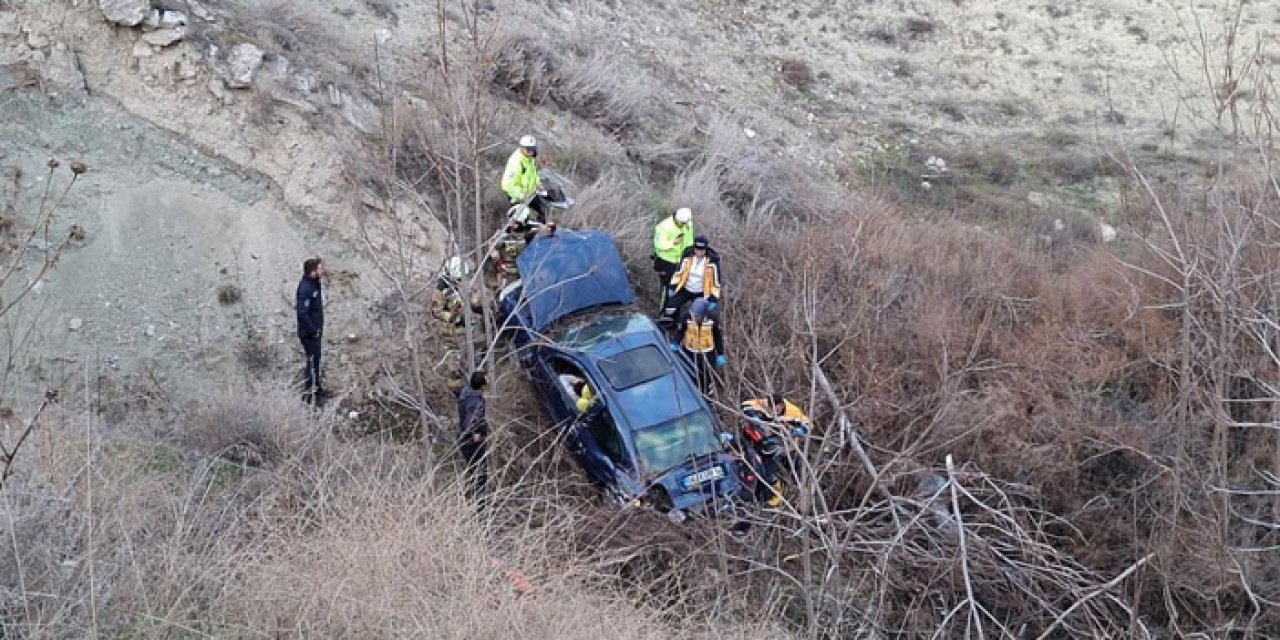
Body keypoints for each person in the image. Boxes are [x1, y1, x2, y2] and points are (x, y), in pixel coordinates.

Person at [740, 393, 811, 507]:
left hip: (786, 444)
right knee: (766, 470)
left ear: (782, 405)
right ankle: (769, 495)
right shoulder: (763, 404)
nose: (773, 411)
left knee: (794, 468)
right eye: (771, 408)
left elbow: (808, 424)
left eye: (776, 408)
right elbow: (745, 405)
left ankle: (799, 491)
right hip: (765, 442)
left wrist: (800, 430)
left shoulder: (792, 412)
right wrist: (754, 417)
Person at [671, 297, 724, 397]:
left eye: (697, 316)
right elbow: (680, 331)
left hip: (707, 352)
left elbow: (718, 336)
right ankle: (691, 393)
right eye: (694, 315)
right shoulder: (686, 317)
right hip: (690, 351)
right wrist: (675, 343)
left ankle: (707, 396)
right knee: (690, 373)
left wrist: (720, 354)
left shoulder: (712, 319)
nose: (695, 317)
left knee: (707, 376)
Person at [662, 235, 721, 323]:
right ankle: (671, 327)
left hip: (701, 292)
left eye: (702, 250)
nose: (699, 252)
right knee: (670, 308)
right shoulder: (687, 257)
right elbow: (678, 273)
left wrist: (713, 298)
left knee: (700, 314)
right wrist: (672, 287)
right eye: (697, 249)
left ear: (706, 249)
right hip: (685, 288)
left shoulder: (712, 263)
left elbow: (716, 282)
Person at [295, 257, 327, 405]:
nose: (323, 270)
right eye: (320, 268)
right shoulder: (306, 288)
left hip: (315, 331)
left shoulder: (314, 284)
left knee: (315, 362)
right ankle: (310, 396)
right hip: (309, 334)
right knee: (312, 363)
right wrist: (313, 330)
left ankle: (317, 389)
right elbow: (302, 313)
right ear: (313, 272)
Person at [457, 371, 490, 508]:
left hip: (464, 440)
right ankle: (481, 506)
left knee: (472, 471)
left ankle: (472, 501)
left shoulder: (465, 394)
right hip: (472, 441)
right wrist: (475, 433)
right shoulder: (475, 402)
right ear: (482, 386)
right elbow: (470, 422)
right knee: (480, 473)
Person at [500, 135, 548, 223]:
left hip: (529, 193)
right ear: (522, 148)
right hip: (517, 196)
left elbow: (533, 173)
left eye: (533, 149)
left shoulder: (529, 159)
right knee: (522, 220)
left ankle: (541, 230)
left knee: (542, 209)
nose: (531, 152)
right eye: (529, 150)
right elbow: (506, 185)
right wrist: (521, 196)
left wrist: (538, 184)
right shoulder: (515, 162)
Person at [651, 207, 694, 302]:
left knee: (680, 288)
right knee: (667, 290)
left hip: (684, 261)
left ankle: (676, 309)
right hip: (667, 263)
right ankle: (664, 310)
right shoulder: (663, 227)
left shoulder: (688, 224)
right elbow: (658, 245)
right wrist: (672, 243)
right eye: (682, 223)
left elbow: (690, 240)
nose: (684, 225)